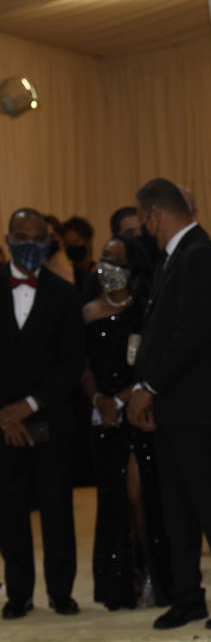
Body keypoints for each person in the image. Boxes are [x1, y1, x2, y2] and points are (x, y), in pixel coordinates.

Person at [125, 178, 211, 630]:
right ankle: (187, 595)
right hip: (176, 407)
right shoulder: (177, 256)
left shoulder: (201, 255)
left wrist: (148, 386)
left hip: (197, 410)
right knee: (177, 505)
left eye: (143, 219)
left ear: (153, 212)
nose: (143, 229)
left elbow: (189, 334)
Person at [0, 207, 84, 618]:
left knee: (56, 510)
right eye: (21, 236)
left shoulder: (64, 293)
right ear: (7, 238)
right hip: (2, 422)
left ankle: (60, 591)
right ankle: (18, 594)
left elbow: (70, 364)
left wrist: (28, 407)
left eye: (37, 238)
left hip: (50, 417)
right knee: (8, 509)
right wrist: (6, 415)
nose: (29, 245)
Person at [81, 235, 170, 609]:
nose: (108, 266)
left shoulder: (145, 311)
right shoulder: (86, 311)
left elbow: (151, 364)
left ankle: (152, 572)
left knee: (139, 496)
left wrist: (122, 398)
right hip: (102, 416)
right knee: (112, 498)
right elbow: (80, 364)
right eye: (105, 258)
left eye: (117, 259)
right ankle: (121, 582)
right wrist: (99, 400)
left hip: (135, 412)